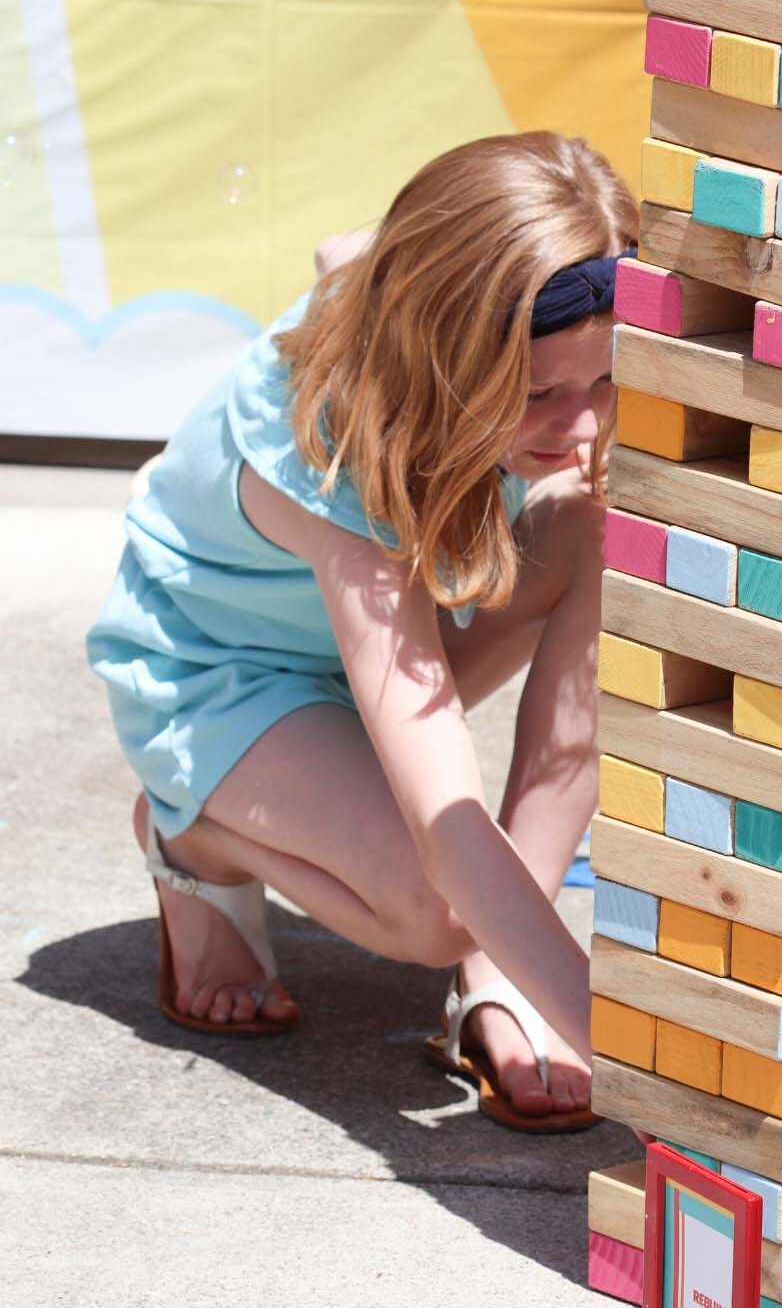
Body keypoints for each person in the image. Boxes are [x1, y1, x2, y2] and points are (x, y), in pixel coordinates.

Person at [85, 132, 626, 1132]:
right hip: (216, 673)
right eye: (542, 394)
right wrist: (632, 1059)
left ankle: (492, 981)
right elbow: (444, 815)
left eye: (600, 384)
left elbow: (353, 246)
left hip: (356, 647)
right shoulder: (333, 445)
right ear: (440, 353)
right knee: (437, 903)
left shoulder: (440, 283)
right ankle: (191, 829)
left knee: (604, 526)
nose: (582, 424)